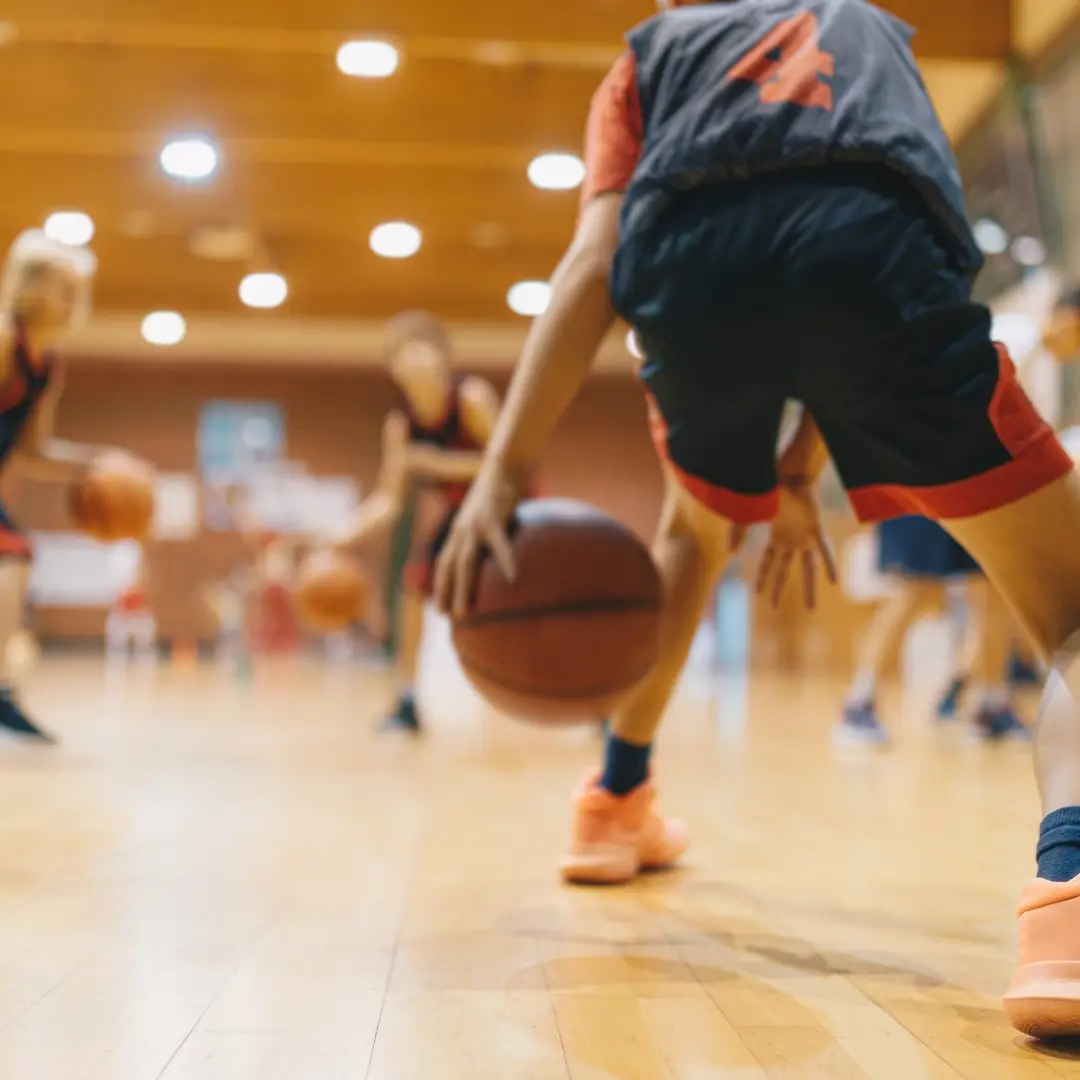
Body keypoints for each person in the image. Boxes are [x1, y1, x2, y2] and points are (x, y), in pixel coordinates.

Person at [432, 0, 1080, 1037]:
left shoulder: (650, 55)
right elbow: (878, 237)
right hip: (872, 267)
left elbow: (596, 265)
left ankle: (612, 802)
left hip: (691, 280)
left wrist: (505, 470)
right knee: (1075, 619)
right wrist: (804, 462)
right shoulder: (870, 30)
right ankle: (1072, 906)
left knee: (691, 535)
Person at [0, 229, 152, 741]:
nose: (74, 301)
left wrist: (101, 461)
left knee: (16, 553)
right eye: (63, 288)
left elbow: (36, 453)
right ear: (30, 285)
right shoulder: (3, 339)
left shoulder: (47, 367)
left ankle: (1, 693)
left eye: (77, 290)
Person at [326, 312, 499, 733]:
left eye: (421, 351)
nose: (413, 362)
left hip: (506, 506)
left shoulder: (472, 398)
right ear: (394, 368)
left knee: (544, 602)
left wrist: (441, 463)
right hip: (460, 516)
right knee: (412, 589)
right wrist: (338, 537)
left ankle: (601, 706)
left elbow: (509, 466)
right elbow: (388, 500)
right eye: (403, 356)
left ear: (443, 357)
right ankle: (407, 700)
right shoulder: (401, 426)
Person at [840, 517, 1026, 744]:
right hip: (920, 493)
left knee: (995, 583)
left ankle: (990, 704)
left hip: (977, 491)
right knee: (916, 588)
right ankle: (860, 702)